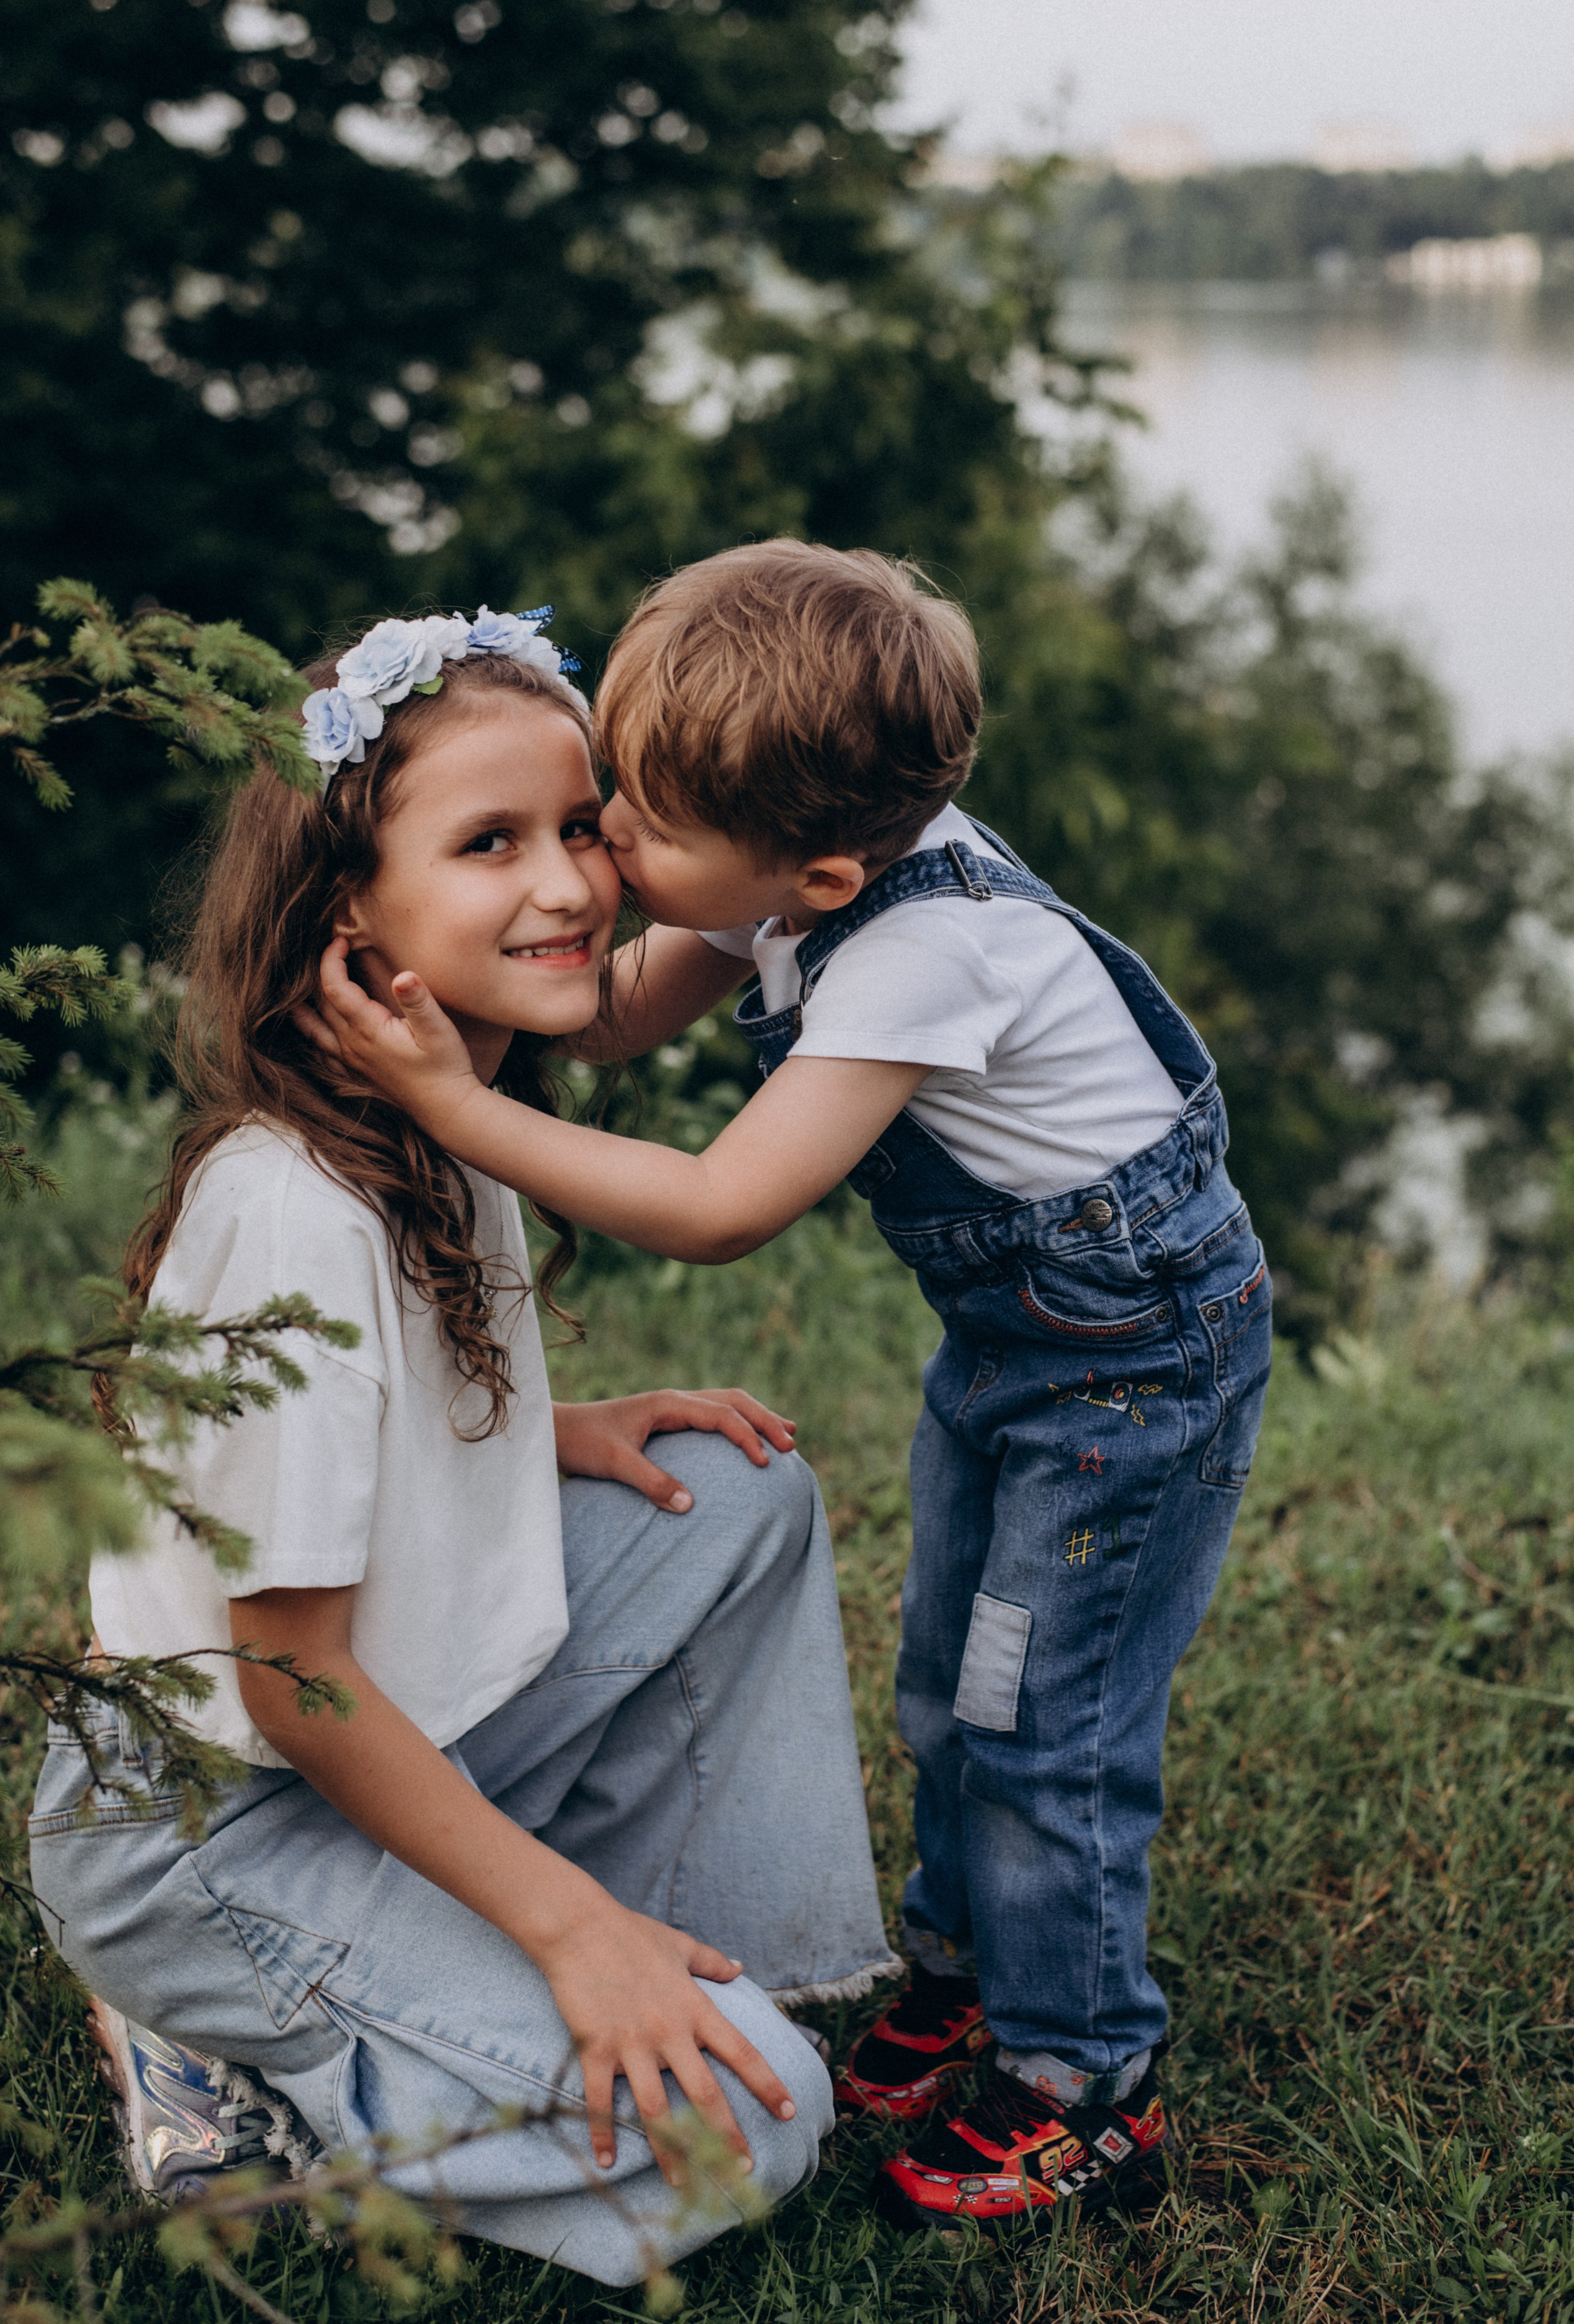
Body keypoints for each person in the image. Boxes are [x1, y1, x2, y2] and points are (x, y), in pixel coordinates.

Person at [299, 544, 1276, 2235]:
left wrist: (461, 1113)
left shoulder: (916, 954)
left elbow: (722, 1207)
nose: (609, 855)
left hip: (1132, 1382)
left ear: (818, 874)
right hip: (1026, 1352)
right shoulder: (780, 878)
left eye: (636, 829)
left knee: (1044, 1717)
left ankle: (1083, 2081)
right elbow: (604, 1028)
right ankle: (967, 1972)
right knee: (950, 1683)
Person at [29, 604, 897, 2289]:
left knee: (735, 1492)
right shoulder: (289, 1209)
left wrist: (552, 1432)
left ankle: (641, 1951)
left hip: (376, 1736)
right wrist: (561, 1929)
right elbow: (293, 1685)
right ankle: (236, 2075)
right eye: (490, 842)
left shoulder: (439, 1101)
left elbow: (362, 1429)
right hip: (210, 1829)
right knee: (760, 2121)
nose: (569, 886)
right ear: (349, 906)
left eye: (582, 827)